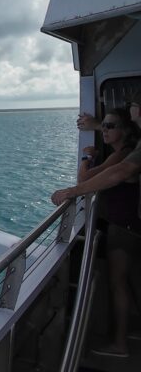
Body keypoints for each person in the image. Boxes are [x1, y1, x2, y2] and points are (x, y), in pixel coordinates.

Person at [53, 102, 141, 357]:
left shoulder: (122, 155)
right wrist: (95, 124)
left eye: (109, 126)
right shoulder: (125, 148)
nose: (104, 130)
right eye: (103, 125)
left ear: (125, 129)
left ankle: (120, 344)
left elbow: (86, 180)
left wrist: (86, 158)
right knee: (131, 281)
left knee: (118, 284)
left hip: (123, 228)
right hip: (129, 225)